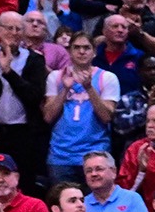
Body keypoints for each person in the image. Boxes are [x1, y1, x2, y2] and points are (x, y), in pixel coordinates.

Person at [0, 12, 47, 189]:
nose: (14, 32)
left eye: (18, 29)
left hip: (24, 133)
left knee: (24, 182)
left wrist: (8, 72)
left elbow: (34, 96)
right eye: (9, 28)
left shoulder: (34, 59)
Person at [42, 32, 118, 185]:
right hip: (61, 155)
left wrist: (89, 88)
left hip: (95, 153)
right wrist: (64, 89)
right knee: (63, 204)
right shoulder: (55, 77)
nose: (82, 52)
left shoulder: (107, 77)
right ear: (69, 51)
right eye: (76, 47)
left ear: (94, 52)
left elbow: (107, 116)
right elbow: (48, 117)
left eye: (86, 48)